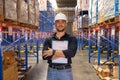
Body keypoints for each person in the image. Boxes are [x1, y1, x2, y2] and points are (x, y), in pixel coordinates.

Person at [42, 13, 77, 80]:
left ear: (66, 24)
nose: (60, 24)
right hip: (52, 71)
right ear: (55, 24)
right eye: (58, 22)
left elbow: (71, 53)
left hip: (66, 71)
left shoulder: (72, 38)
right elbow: (45, 56)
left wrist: (53, 51)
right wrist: (64, 54)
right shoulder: (49, 39)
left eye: (62, 22)